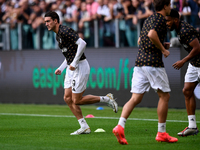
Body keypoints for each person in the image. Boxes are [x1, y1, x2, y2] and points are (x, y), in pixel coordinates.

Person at [112, 0, 178, 145]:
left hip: (139, 63)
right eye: (170, 6)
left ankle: (120, 126)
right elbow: (152, 34)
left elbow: (140, 40)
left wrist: (160, 43)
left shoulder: (149, 18)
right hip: (153, 63)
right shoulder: (160, 19)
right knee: (164, 96)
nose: (170, 8)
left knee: (135, 98)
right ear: (166, 6)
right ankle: (161, 133)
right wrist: (163, 49)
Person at [44, 11, 118, 135]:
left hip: (80, 66)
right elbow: (69, 55)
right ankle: (84, 126)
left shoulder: (65, 31)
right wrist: (62, 68)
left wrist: (74, 62)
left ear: (55, 21)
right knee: (67, 98)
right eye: (45, 21)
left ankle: (107, 99)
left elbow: (82, 43)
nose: (46, 24)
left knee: (76, 100)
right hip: (71, 68)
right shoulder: (58, 35)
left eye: (48, 21)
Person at [166, 9, 200, 137]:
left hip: (198, 62)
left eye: (168, 21)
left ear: (175, 20)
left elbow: (197, 48)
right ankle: (192, 126)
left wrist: (183, 61)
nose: (166, 23)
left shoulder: (185, 30)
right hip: (194, 63)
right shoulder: (179, 30)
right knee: (187, 90)